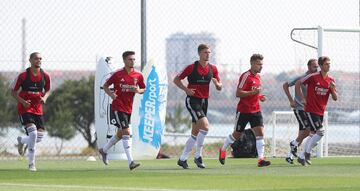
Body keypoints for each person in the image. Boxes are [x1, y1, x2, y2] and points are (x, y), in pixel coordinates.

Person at [174, 44, 222, 169]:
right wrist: (186, 89)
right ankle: (198, 156)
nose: (208, 54)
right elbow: (176, 80)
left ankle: (182, 159)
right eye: (206, 52)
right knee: (205, 126)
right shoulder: (191, 67)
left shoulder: (213, 69)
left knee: (195, 132)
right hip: (193, 100)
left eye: (209, 52)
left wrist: (217, 84)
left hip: (204, 102)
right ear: (200, 53)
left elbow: (219, 86)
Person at [219, 54, 271, 167]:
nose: (261, 67)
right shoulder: (245, 76)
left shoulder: (258, 77)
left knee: (260, 133)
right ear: (252, 64)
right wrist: (252, 93)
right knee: (236, 135)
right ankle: (222, 149)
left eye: (262, 64)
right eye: (258, 64)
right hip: (243, 111)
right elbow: (238, 93)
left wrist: (260, 97)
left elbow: (256, 93)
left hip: (256, 110)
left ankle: (261, 159)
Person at [98, 51, 145, 170]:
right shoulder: (118, 74)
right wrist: (112, 95)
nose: (133, 61)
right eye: (130, 59)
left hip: (129, 108)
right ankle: (131, 162)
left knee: (120, 133)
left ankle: (104, 150)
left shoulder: (138, 75)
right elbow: (105, 86)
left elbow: (143, 88)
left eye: (134, 59)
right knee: (126, 131)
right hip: (118, 107)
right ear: (124, 60)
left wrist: (138, 91)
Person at [11, 52, 51, 172]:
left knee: (38, 138)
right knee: (33, 135)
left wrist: (44, 98)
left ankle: (22, 140)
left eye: (40, 59)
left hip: (38, 109)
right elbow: (13, 92)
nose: (38, 60)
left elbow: (48, 90)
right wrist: (23, 102)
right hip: (25, 108)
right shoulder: (23, 76)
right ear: (30, 60)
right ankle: (31, 164)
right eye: (36, 59)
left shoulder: (45, 76)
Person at [295, 56, 337, 166]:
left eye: (329, 63)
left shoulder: (331, 80)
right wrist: (302, 98)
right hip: (310, 109)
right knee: (321, 131)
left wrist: (332, 89)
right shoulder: (313, 77)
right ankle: (307, 153)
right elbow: (298, 83)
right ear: (321, 65)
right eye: (326, 64)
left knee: (313, 134)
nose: (329, 65)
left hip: (320, 111)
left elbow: (335, 97)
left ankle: (301, 156)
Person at [282, 59, 318, 164]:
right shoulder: (301, 77)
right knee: (308, 131)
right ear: (308, 67)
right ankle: (294, 144)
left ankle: (290, 156)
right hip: (300, 108)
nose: (315, 69)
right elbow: (285, 85)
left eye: (317, 67)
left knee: (303, 133)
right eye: (314, 66)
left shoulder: (316, 79)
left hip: (310, 110)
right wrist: (291, 100)